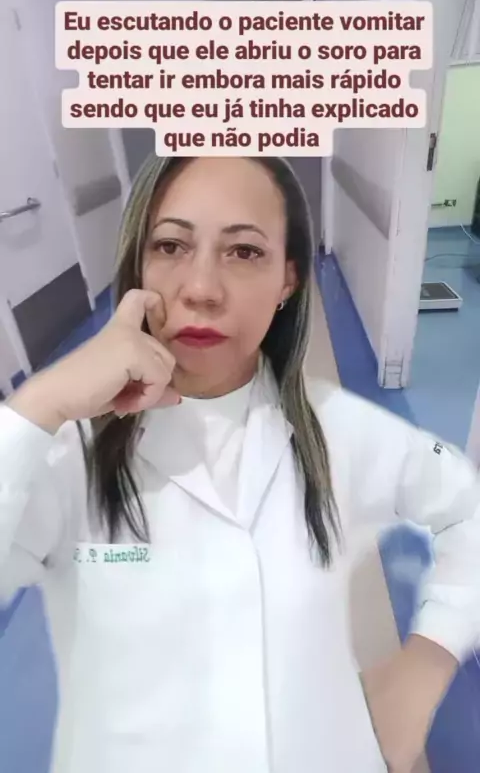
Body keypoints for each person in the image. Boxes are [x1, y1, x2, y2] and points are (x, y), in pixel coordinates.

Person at [1, 155, 479, 773]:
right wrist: (36, 406)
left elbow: (466, 504)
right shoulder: (60, 451)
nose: (201, 288)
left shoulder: (341, 429)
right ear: (138, 264)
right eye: (170, 245)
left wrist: (427, 660)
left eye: (244, 251)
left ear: (289, 280)